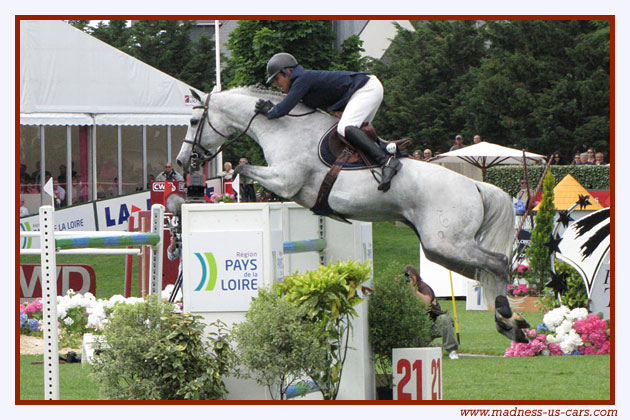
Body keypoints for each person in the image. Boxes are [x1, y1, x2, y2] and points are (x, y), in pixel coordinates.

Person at [254, 52, 401, 192]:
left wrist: (269, 111)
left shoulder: (302, 79)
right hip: (367, 88)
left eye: (276, 79)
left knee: (345, 128)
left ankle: (387, 162)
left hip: (366, 88)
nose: (276, 83)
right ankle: (387, 151)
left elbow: (283, 109)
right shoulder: (302, 81)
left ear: (288, 72)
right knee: (357, 134)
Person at [403, 265, 459, 360]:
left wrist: (412, 290)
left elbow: (426, 302)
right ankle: (435, 348)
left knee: (445, 319)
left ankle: (451, 350)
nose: (410, 279)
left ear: (416, 276)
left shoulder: (424, 287)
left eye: (412, 276)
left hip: (434, 323)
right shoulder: (403, 290)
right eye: (407, 276)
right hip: (419, 327)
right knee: (414, 348)